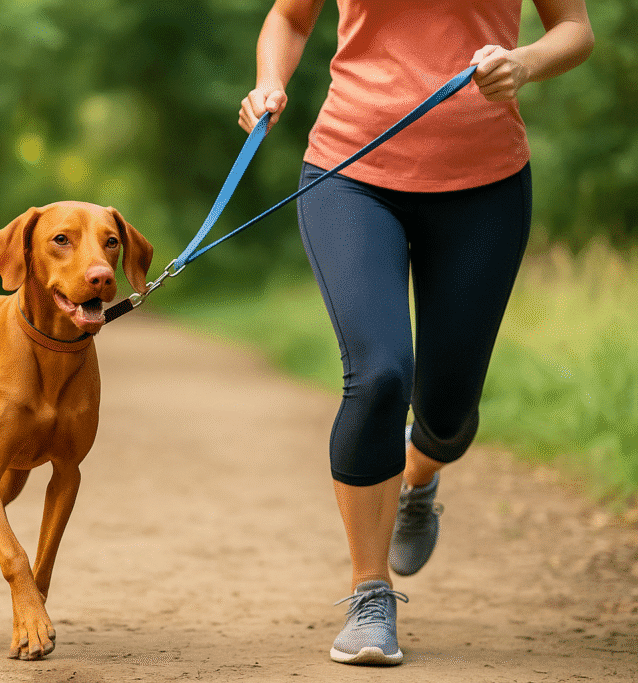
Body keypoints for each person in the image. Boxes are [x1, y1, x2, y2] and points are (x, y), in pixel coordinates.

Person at [239, 0, 593, 666]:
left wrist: (524, 62)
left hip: (485, 184)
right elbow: (288, 18)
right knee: (379, 375)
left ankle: (419, 469)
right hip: (350, 171)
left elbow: (575, 31)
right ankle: (370, 592)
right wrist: (269, 83)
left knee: (449, 412)